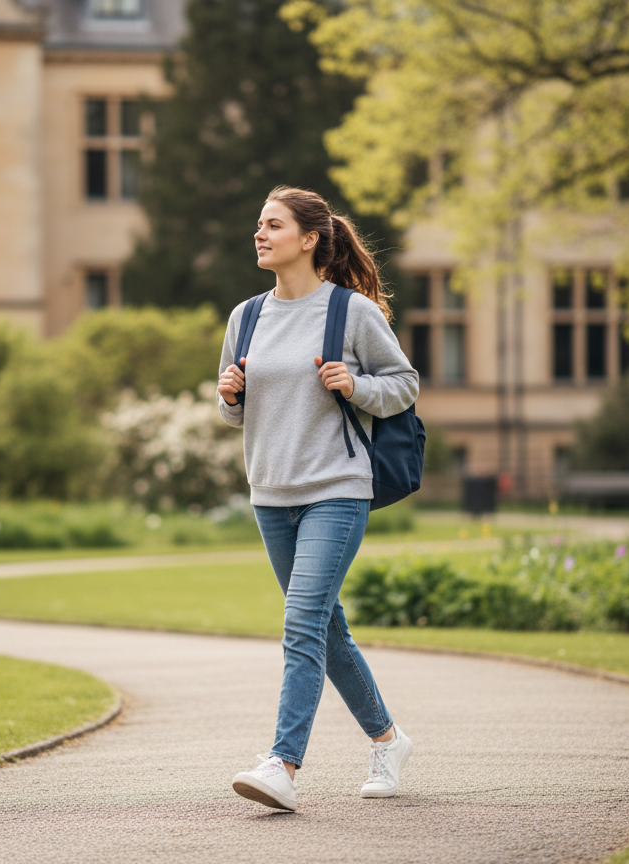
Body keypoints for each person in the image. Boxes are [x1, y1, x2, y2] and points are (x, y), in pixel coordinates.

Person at [217, 186, 420, 812]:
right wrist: (229, 396)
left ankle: (282, 763)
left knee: (302, 622)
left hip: (336, 489)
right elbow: (236, 413)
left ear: (309, 239)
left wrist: (356, 386)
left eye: (273, 225)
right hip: (270, 493)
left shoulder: (350, 312)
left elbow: (404, 383)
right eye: (259, 224)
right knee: (326, 627)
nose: (259, 234)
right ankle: (388, 740)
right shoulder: (246, 316)